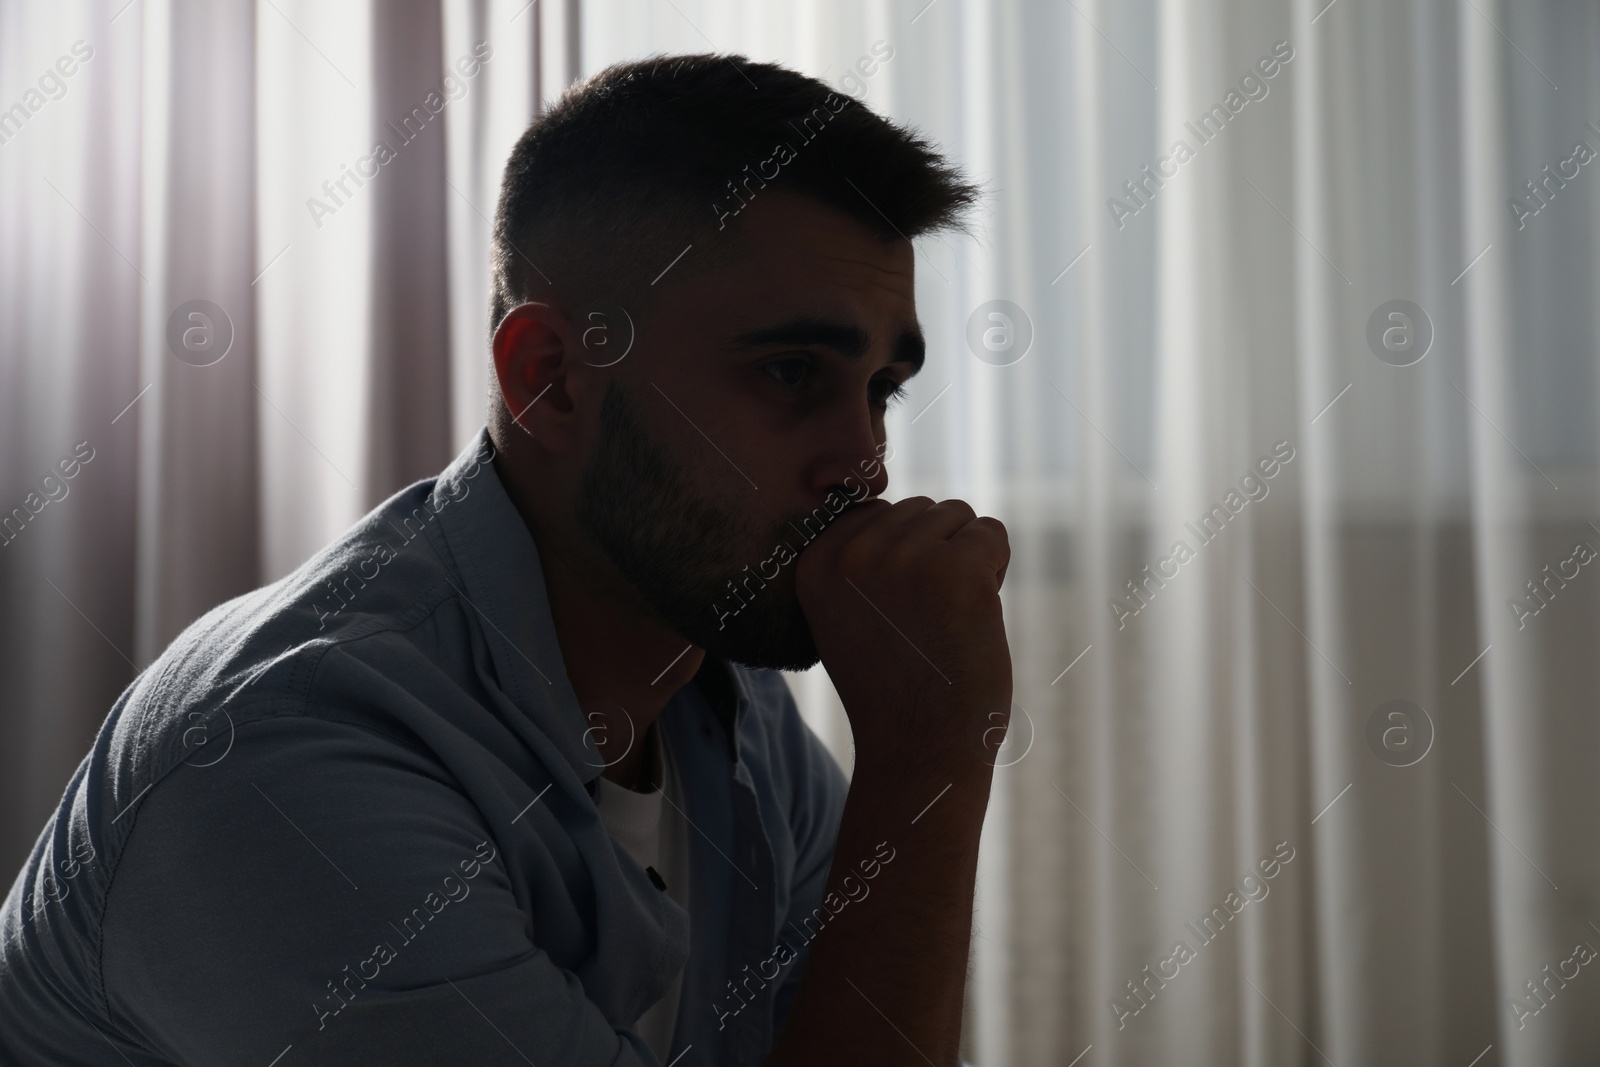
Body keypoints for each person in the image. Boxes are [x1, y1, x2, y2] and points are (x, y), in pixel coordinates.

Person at [0, 52, 1011, 1067]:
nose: (865, 465)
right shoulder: (282, 769)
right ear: (551, 380)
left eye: (880, 388)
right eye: (791, 373)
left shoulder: (730, 698)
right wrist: (929, 753)